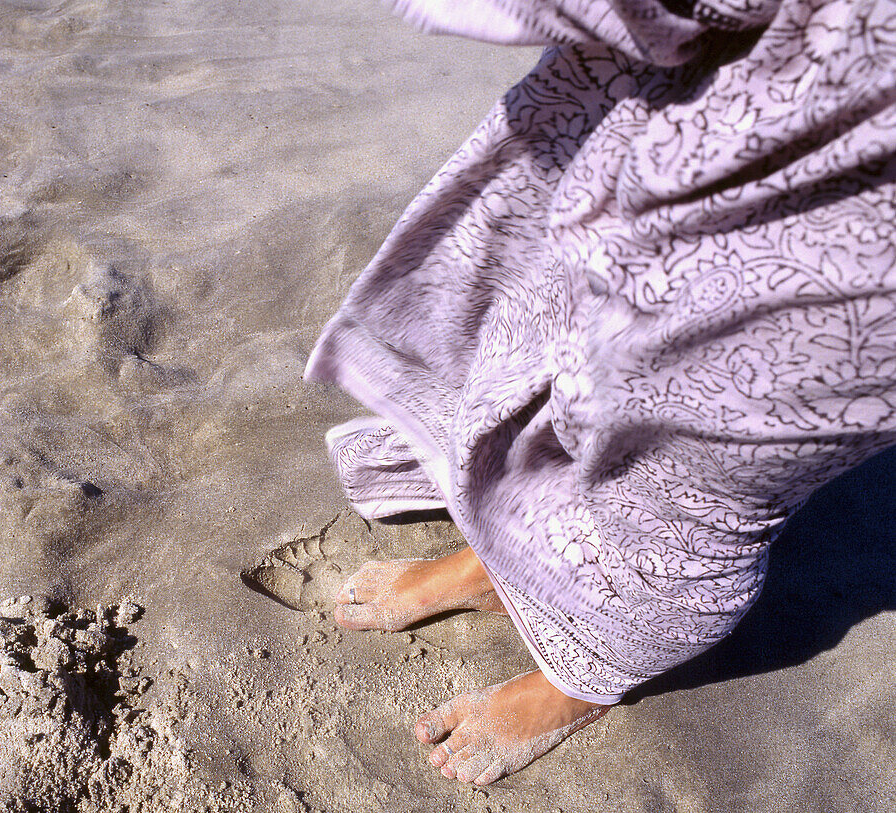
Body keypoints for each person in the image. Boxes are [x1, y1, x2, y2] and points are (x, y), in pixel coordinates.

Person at [304, 0, 896, 787]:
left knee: (687, 479)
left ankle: (575, 681)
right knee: (554, 359)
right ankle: (499, 565)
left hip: (860, 245)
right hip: (748, 81)